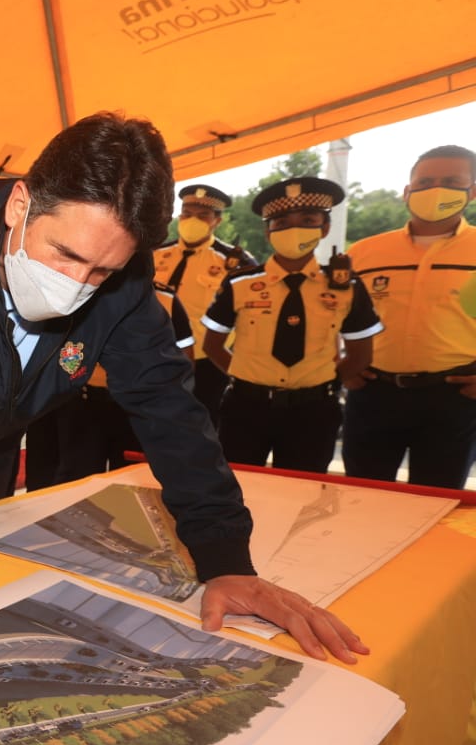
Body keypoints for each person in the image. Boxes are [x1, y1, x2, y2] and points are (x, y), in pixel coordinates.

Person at [0, 113, 369, 685]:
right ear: (21, 204)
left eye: (100, 272)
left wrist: (224, 556)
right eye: (65, 255)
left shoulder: (124, 282)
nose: (76, 288)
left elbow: (168, 408)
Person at [201, 177, 382, 474]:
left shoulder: (346, 286)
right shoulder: (240, 283)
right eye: (281, 221)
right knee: (236, 488)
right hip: (246, 408)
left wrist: (326, 382)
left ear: (324, 228)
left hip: (312, 412)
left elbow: (361, 355)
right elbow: (212, 344)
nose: (293, 229)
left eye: (308, 220)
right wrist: (246, 376)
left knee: (302, 494)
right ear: (267, 230)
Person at [342, 145, 476, 489]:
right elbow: (326, 316)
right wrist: (337, 365)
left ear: (472, 190)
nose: (435, 189)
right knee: (362, 497)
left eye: (450, 181)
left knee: (436, 502)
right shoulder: (365, 252)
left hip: (454, 399)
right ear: (407, 191)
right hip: (373, 394)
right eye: (425, 182)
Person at [52, 284, 195, 484]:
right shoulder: (80, 294)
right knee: (78, 480)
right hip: (86, 404)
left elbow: (185, 354)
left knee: (136, 480)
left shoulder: (165, 298)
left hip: (139, 407)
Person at [152, 184, 255, 423]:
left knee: (201, 428)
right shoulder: (154, 254)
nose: (192, 220)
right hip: (152, 357)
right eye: (187, 213)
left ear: (216, 221)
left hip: (205, 364)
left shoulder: (237, 263)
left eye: (202, 215)